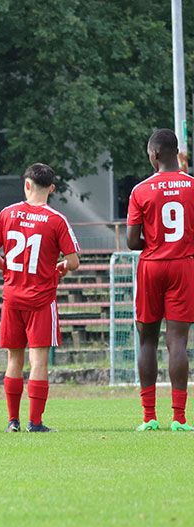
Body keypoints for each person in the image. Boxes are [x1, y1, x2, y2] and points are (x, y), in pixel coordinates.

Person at [0, 164, 80, 432]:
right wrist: (61, 266)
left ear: (26, 185)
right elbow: (73, 261)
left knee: (14, 360)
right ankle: (34, 422)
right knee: (38, 362)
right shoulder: (56, 220)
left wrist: (10, 269)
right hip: (41, 299)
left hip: (12, 296)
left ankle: (12, 421)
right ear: (52, 188)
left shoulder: (7, 214)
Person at [126, 128, 194, 432]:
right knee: (178, 341)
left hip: (152, 266)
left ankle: (149, 417)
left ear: (154, 155)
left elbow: (131, 241)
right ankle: (179, 419)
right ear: (175, 153)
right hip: (183, 265)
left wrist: (155, 241)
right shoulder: (192, 186)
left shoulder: (140, 190)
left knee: (147, 340)